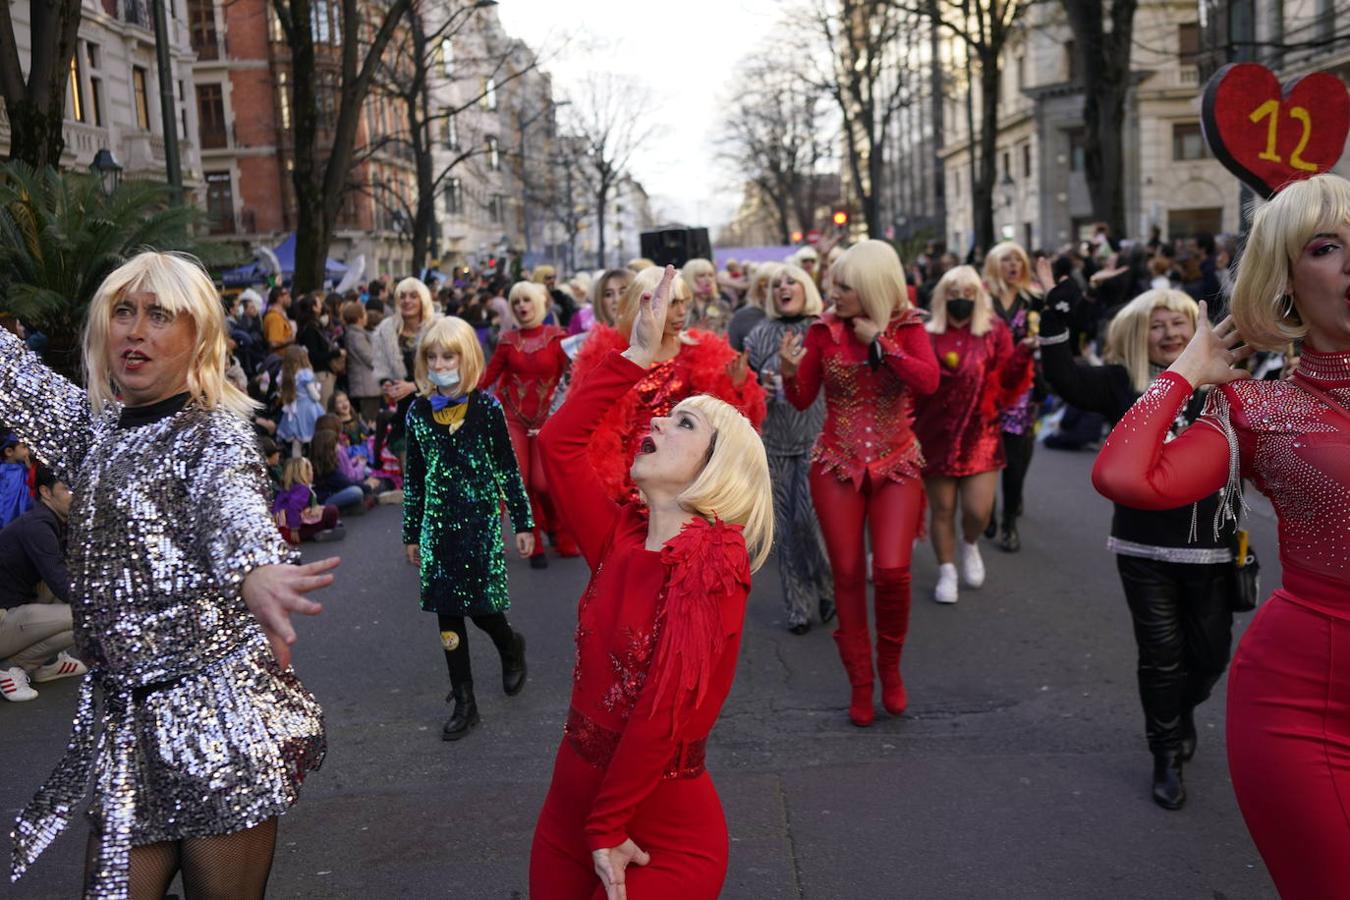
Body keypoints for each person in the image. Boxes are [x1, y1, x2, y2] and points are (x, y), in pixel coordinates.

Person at [2, 251, 333, 898]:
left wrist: (256, 570)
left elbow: (233, 508)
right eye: (124, 312)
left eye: (159, 315)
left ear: (198, 335)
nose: (135, 330)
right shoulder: (94, 431)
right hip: (127, 735)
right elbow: (12, 375)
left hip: (216, 726)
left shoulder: (215, 437)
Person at [1091, 173, 1350, 894]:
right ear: (1285, 283)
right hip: (1308, 709)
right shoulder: (1258, 409)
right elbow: (1124, 476)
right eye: (1327, 247)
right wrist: (1185, 371)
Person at [529, 266, 773, 900]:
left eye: (684, 424)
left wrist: (607, 827)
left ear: (715, 469)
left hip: (659, 837)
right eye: (666, 415)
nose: (659, 422)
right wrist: (636, 354)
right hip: (567, 813)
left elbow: (664, 714)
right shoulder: (620, 536)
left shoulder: (714, 565)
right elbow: (557, 444)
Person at [1040, 271, 1234, 810]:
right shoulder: (1122, 382)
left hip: (1214, 547)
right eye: (1158, 325)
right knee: (1160, 656)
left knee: (1210, 656)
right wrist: (1056, 314)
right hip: (1142, 548)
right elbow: (1063, 377)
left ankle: (1181, 710)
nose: (1170, 333)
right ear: (1136, 334)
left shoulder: (1226, 383)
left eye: (1179, 323)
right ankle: (1165, 754)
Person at [780, 240, 940, 727]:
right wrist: (788, 373)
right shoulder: (822, 330)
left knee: (892, 572)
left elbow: (928, 382)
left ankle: (889, 669)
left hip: (897, 463)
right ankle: (860, 683)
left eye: (845, 287)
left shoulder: (908, 327)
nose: (834, 294)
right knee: (847, 574)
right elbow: (803, 399)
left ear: (871, 287)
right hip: (836, 463)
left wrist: (882, 343)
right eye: (833, 285)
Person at [403, 317, 534, 741]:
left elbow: (507, 470)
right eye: (433, 357)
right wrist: (411, 533)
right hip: (437, 529)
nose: (440, 364)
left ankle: (509, 645)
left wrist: (523, 522)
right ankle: (464, 701)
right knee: (447, 614)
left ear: (468, 358)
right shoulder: (418, 412)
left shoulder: (487, 409)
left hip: (479, 527)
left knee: (482, 610)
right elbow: (414, 478)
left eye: (449, 356)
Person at [568, 268, 765, 503]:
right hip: (628, 475)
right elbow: (589, 424)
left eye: (684, 302)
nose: (681, 312)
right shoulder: (610, 355)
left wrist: (736, 388)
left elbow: (731, 428)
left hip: (683, 474)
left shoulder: (702, 350)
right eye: (672, 304)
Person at [913, 265, 1035, 605]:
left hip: (981, 434)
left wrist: (1024, 353)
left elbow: (1008, 380)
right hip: (935, 434)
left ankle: (969, 543)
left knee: (977, 511)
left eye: (968, 293)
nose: (960, 299)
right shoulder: (927, 333)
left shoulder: (994, 331)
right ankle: (947, 571)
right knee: (942, 508)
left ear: (978, 297)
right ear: (942, 297)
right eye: (953, 293)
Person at [744, 264, 834, 634]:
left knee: (808, 521)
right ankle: (797, 606)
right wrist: (756, 387)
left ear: (806, 288)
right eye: (777, 283)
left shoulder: (821, 330)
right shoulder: (759, 334)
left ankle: (827, 586)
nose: (783, 287)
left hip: (816, 437)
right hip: (775, 441)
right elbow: (747, 382)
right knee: (783, 528)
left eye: (792, 281)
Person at [480, 281, 577, 568]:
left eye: (527, 300)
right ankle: (533, 542)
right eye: (516, 302)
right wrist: (457, 394)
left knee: (543, 483)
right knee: (520, 481)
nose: (522, 306)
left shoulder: (558, 338)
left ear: (539, 303)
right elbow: (488, 378)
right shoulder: (508, 340)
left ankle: (555, 527)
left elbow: (574, 378)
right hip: (513, 418)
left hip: (549, 420)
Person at [0, 464, 86, 702]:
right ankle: (11, 668)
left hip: (14, 608)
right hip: (4, 616)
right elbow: (63, 586)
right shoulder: (38, 526)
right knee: (88, 615)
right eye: (68, 489)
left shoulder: (53, 520)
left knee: (73, 585)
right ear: (46, 492)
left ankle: (48, 664)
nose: (77, 495)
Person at [983, 240, 1044, 552]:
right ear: (995, 263)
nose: (1014, 265)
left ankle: (1009, 522)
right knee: (984, 451)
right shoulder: (981, 297)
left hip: (1021, 387)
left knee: (1017, 454)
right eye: (1007, 259)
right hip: (986, 385)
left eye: (1018, 260)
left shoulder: (1033, 299)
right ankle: (986, 506)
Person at [372, 277, 441, 466]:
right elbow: (381, 366)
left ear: (423, 299)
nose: (407, 301)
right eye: (402, 296)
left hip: (436, 410)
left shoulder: (438, 329)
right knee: (408, 469)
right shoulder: (386, 331)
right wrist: (386, 383)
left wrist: (414, 386)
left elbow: (449, 372)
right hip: (404, 413)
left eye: (413, 296)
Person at [276, 344, 325, 452]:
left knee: (296, 439)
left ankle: (296, 461)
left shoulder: (284, 375)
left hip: (293, 410)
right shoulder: (305, 375)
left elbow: (280, 394)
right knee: (313, 435)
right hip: (309, 409)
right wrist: (318, 390)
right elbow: (315, 397)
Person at [342, 300, 380, 421]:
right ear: (359, 318)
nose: (366, 317)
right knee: (370, 420)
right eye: (364, 314)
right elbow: (370, 358)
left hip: (367, 386)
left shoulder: (357, 334)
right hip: (366, 387)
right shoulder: (356, 336)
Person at [727, 262, 778, 353]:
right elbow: (732, 353)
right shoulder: (742, 317)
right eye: (766, 286)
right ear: (758, 290)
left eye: (776, 285)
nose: (772, 291)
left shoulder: (796, 317)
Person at [681, 258, 732, 335]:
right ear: (690, 278)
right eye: (701, 276)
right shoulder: (681, 305)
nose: (708, 279)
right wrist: (695, 331)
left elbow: (728, 334)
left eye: (711, 275)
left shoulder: (723, 305)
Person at [0, 431, 33, 528]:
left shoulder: (25, 469)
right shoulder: (3, 473)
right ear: (9, 452)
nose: (28, 451)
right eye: (24, 447)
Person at [262, 285, 294, 352]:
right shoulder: (275, 318)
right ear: (279, 298)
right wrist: (291, 339)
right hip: (281, 356)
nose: (290, 299)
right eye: (288, 296)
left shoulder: (279, 316)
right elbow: (274, 343)